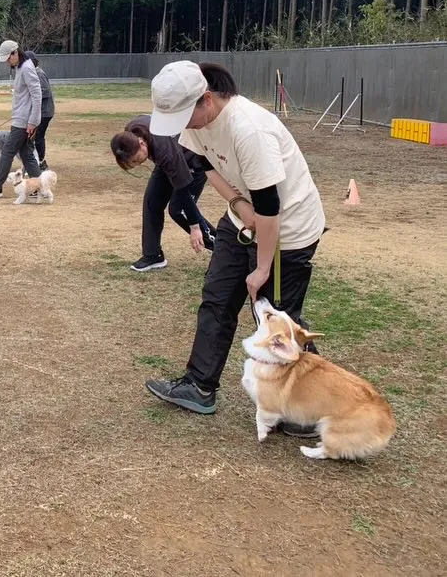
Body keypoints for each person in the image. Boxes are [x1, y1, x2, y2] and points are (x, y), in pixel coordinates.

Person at [142, 61, 326, 437]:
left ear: (206, 99)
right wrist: (238, 204)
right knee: (217, 298)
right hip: (242, 220)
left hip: (287, 230)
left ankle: (310, 407)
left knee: (278, 321)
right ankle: (199, 385)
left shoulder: (249, 129)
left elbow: (270, 208)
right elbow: (204, 163)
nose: (181, 125)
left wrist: (261, 268)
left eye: (183, 116)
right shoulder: (197, 122)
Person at [110, 115, 215, 272]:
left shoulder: (163, 148)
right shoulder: (131, 132)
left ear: (141, 143)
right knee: (152, 201)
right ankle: (153, 255)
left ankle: (222, 248)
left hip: (193, 161)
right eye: (133, 163)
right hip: (168, 161)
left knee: (178, 210)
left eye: (137, 159)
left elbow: (183, 189)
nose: (139, 163)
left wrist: (194, 228)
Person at [0, 40, 41, 197]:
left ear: (15, 53)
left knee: (7, 151)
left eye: (8, 58)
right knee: (26, 154)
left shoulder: (26, 68)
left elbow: (37, 94)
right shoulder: (21, 67)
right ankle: (37, 188)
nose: (7, 62)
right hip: (21, 119)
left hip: (24, 121)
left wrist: (33, 121)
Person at [25, 51, 54, 169]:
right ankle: (37, 160)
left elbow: (45, 92)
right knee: (36, 137)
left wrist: (32, 98)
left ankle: (40, 161)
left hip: (45, 112)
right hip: (41, 111)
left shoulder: (39, 74)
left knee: (38, 137)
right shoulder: (34, 73)